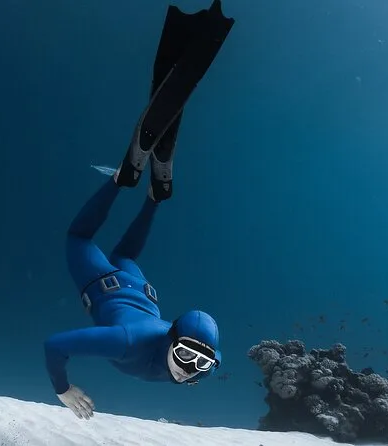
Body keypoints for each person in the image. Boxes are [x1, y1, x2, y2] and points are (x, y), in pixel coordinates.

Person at [43, 0, 235, 420]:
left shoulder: (175, 355)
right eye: (188, 355)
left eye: (201, 363)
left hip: (142, 292)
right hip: (110, 288)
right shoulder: (125, 342)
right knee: (78, 238)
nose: (189, 370)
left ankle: (153, 197)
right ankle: (120, 180)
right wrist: (63, 389)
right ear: (172, 341)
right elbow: (54, 345)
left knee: (126, 254)